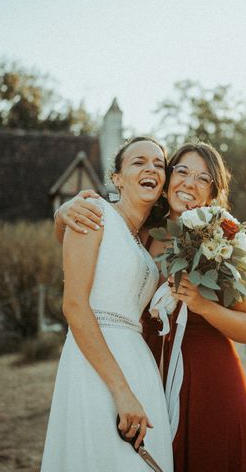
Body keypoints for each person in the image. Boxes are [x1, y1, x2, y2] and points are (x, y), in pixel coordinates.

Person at [57, 142, 246, 471]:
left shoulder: (219, 239)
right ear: (168, 180)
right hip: (148, 368)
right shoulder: (142, 233)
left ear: (213, 192)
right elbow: (91, 253)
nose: (189, 183)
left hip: (209, 377)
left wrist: (202, 305)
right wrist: (63, 213)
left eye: (203, 178)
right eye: (182, 171)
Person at [42, 137, 174, 471]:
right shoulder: (93, 212)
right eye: (138, 162)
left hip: (138, 363)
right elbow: (74, 306)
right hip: (97, 366)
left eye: (159, 164)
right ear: (117, 178)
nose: (151, 168)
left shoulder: (145, 243)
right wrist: (121, 391)